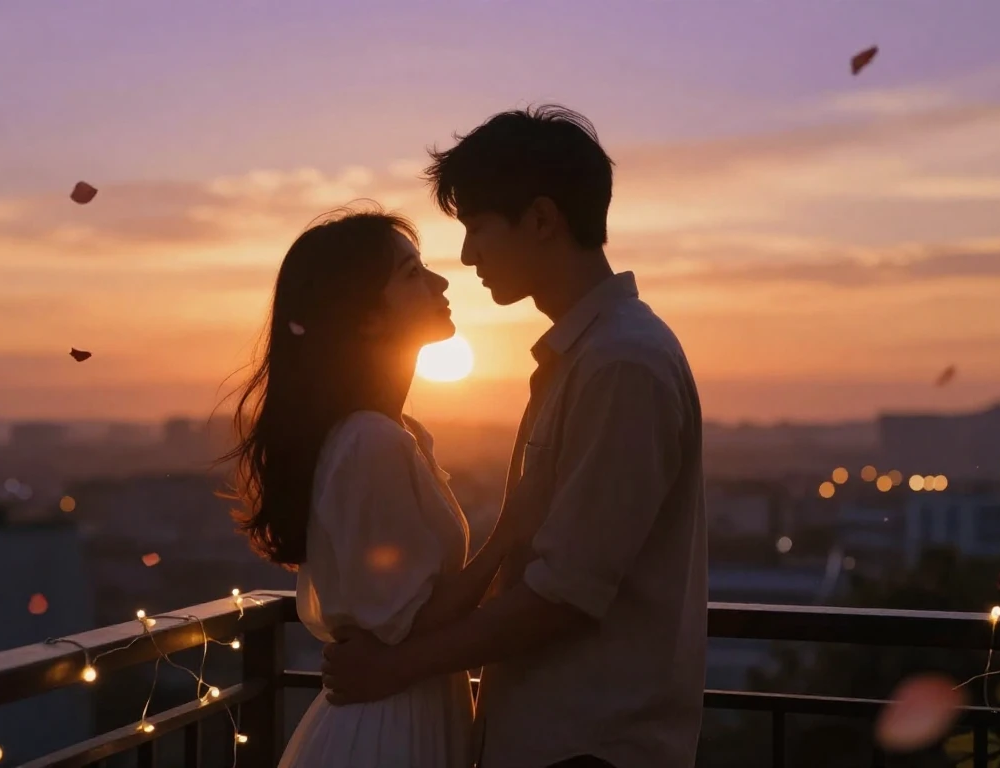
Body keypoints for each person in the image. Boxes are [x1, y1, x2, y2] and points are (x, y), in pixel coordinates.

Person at [321, 106, 709, 768]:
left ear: (540, 220)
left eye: (477, 227)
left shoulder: (621, 364)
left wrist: (396, 667)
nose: (468, 255)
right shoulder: (586, 358)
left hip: (589, 746)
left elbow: (564, 595)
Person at [221, 207, 532, 767]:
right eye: (412, 274)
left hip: (399, 711)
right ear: (366, 318)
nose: (439, 282)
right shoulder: (370, 440)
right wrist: (511, 531)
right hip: (391, 727)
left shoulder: (390, 433)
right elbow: (408, 625)